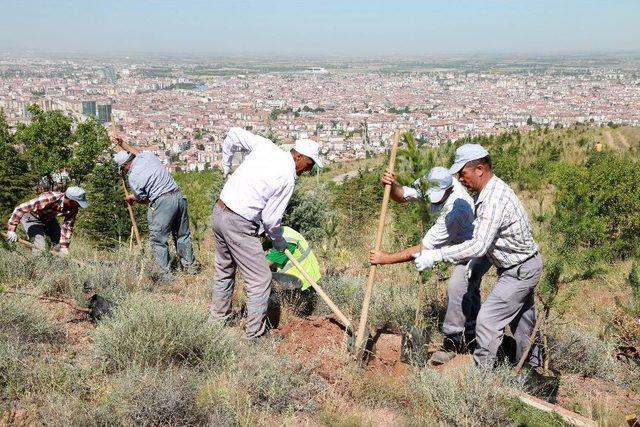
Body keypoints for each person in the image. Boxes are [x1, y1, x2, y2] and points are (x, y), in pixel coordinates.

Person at [413, 144, 542, 369]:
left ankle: (482, 379)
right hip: (519, 266)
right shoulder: (488, 192)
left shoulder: (493, 199)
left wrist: (436, 255)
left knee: (488, 321)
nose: (460, 179)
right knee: (524, 324)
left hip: (519, 270)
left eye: (463, 173)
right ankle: (532, 371)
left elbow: (479, 245)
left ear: (479, 169)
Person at [210, 127, 322, 340]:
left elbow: (233, 134)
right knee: (261, 279)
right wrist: (278, 241)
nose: (308, 170)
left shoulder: (266, 147)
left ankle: (218, 320)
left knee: (224, 269)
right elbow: (271, 220)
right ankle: (255, 335)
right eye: (310, 164)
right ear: (298, 156)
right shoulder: (287, 177)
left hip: (219, 212)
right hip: (239, 223)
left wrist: (226, 164)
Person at [370, 166, 488, 364]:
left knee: (457, 286)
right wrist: (392, 185)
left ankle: (452, 342)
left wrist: (385, 258)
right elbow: (403, 196)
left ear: (449, 189)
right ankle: (473, 334)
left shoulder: (455, 211)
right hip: (453, 244)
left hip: (472, 250)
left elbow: (423, 249)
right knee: (469, 293)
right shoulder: (435, 185)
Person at [113, 137, 199, 282]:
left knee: (159, 240)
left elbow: (145, 199)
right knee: (182, 235)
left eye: (122, 170)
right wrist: (123, 144)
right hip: (179, 196)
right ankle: (190, 268)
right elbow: (136, 152)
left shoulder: (133, 177)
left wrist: (132, 199)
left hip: (163, 202)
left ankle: (165, 277)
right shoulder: (147, 156)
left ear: (125, 167)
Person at [6, 187, 89, 254]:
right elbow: (20, 209)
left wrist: (64, 247)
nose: (79, 205)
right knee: (40, 246)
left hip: (49, 218)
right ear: (70, 200)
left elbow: (67, 227)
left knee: (59, 245)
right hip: (32, 217)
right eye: (77, 203)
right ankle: (38, 269)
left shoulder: (73, 209)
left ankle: (55, 266)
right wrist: (12, 230)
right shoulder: (49, 198)